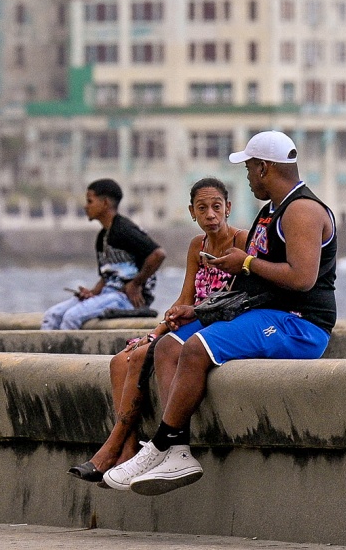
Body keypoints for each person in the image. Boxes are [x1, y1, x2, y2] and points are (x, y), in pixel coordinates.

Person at [103, 130, 338, 496]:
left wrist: (244, 262)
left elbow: (302, 278)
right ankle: (178, 451)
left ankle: (161, 444)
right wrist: (197, 309)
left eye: (248, 169)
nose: (246, 177)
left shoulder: (303, 210)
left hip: (298, 323)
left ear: (264, 167)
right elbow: (255, 280)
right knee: (168, 347)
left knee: (196, 348)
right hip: (266, 314)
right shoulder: (271, 211)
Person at [70, 176, 244, 482]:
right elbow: (186, 299)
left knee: (139, 359)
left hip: (217, 327)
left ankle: (112, 450)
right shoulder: (196, 246)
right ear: (192, 212)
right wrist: (154, 332)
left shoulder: (241, 242)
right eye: (202, 208)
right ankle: (127, 448)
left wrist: (177, 323)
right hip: (191, 323)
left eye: (216, 206)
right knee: (120, 359)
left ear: (228, 207)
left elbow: (238, 300)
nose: (210, 215)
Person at [41, 179, 164, 331]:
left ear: (105, 203)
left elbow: (158, 254)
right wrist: (91, 293)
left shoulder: (124, 229)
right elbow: (108, 276)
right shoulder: (102, 237)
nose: (86, 207)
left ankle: (68, 355)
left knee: (72, 317)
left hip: (128, 298)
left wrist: (136, 283)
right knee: (52, 315)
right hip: (107, 295)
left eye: (90, 201)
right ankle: (48, 355)